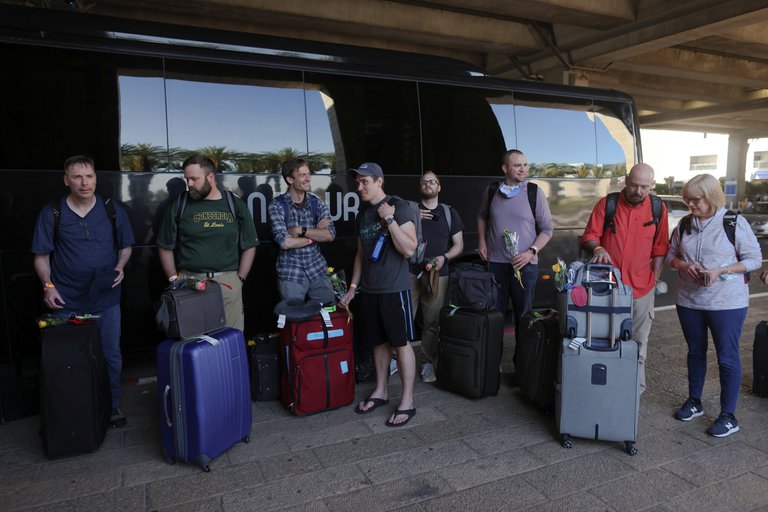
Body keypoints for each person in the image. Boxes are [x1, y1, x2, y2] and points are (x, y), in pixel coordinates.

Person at [32, 155, 135, 427]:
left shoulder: (112, 208)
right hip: (66, 299)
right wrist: (48, 286)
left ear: (95, 178)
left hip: (106, 296)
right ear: (66, 180)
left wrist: (121, 266)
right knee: (69, 358)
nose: (84, 182)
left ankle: (112, 405)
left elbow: (126, 247)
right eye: (77, 177)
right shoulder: (52, 212)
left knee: (110, 354)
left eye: (89, 176)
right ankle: (75, 408)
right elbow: (41, 256)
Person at [666, 174, 761, 437]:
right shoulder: (685, 223)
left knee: (727, 357)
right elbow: (671, 255)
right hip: (689, 300)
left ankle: (728, 415)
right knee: (695, 351)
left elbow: (755, 259)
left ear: (711, 197)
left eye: (695, 200)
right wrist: (685, 265)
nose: (690, 204)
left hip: (727, 302)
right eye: (687, 199)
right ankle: (694, 401)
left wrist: (722, 270)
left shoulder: (733, 222)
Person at [340, 162, 419, 427]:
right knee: (377, 343)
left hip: (394, 289)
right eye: (357, 182)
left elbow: (409, 249)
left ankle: (407, 401)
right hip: (370, 290)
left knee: (400, 343)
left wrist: (389, 219)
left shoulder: (400, 206)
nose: (359, 187)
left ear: (379, 182)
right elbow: (360, 255)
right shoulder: (362, 214)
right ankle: (381, 391)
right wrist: (352, 288)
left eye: (365, 182)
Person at [581, 163, 669, 393]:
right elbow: (589, 235)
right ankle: (606, 388)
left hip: (642, 290)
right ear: (626, 181)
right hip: (608, 289)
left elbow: (660, 247)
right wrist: (598, 248)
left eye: (644, 187)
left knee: (638, 344)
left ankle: (633, 392)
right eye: (634, 185)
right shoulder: (607, 204)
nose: (638, 191)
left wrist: (655, 280)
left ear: (652, 185)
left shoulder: (658, 208)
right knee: (606, 339)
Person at [156, 155, 259, 331]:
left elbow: (250, 244)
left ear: (211, 177)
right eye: (186, 179)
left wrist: (239, 279)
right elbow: (165, 246)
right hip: (190, 284)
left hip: (227, 284)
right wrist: (174, 279)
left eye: (194, 179)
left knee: (230, 342)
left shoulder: (234, 204)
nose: (189, 184)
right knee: (195, 342)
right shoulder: (180, 204)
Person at [476, 149, 553, 380]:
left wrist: (531, 253)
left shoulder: (533, 192)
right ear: (505, 168)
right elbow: (481, 216)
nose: (523, 169)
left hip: (524, 267)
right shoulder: (492, 191)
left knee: (523, 318)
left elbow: (548, 229)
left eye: (525, 165)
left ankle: (523, 369)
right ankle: (493, 367)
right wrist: (481, 241)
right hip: (496, 265)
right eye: (518, 165)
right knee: (495, 317)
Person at [409, 171, 464, 383]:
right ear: (420, 186)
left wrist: (444, 257)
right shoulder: (409, 209)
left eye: (432, 182)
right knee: (403, 319)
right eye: (424, 182)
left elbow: (458, 245)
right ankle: (395, 359)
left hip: (437, 274)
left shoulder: (450, 213)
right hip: (410, 271)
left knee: (432, 322)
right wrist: (413, 213)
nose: (428, 185)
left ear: (439, 187)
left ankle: (427, 363)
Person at [268, 158, 336, 303]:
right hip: (291, 273)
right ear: (290, 179)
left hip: (317, 269)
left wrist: (301, 230)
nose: (308, 178)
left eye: (308, 174)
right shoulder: (277, 206)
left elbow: (330, 235)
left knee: (329, 317)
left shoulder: (316, 202)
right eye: (302, 175)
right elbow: (285, 242)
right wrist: (314, 235)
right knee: (294, 321)